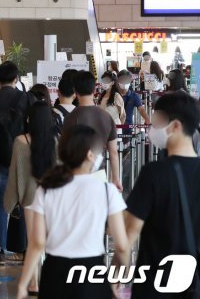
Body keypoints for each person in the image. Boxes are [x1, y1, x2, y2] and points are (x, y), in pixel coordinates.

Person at [16, 125, 129, 299]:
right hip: (92, 272)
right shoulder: (107, 191)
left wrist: (23, 285)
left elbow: (37, 243)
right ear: (90, 155)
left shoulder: (46, 189)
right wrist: (117, 279)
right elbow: (121, 245)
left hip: (55, 272)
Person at [124, 92, 200, 298]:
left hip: (154, 282)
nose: (152, 130)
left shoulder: (154, 173)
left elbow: (129, 234)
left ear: (175, 126)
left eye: (156, 123)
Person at [4, 102, 57, 294]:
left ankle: (34, 282)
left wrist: (9, 202)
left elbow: (14, 174)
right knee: (49, 239)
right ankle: (48, 280)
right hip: (51, 197)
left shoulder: (20, 141)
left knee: (32, 242)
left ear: (29, 119)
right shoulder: (55, 141)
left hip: (29, 198)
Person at [0, 61, 34, 261]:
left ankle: (0, 246)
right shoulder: (26, 98)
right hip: (22, 156)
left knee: (0, 204)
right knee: (24, 201)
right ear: (16, 79)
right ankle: (23, 246)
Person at [63, 71, 122, 191]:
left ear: (75, 91)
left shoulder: (71, 118)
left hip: (77, 176)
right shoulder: (106, 117)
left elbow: (65, 152)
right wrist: (116, 178)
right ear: (94, 89)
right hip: (100, 174)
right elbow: (113, 152)